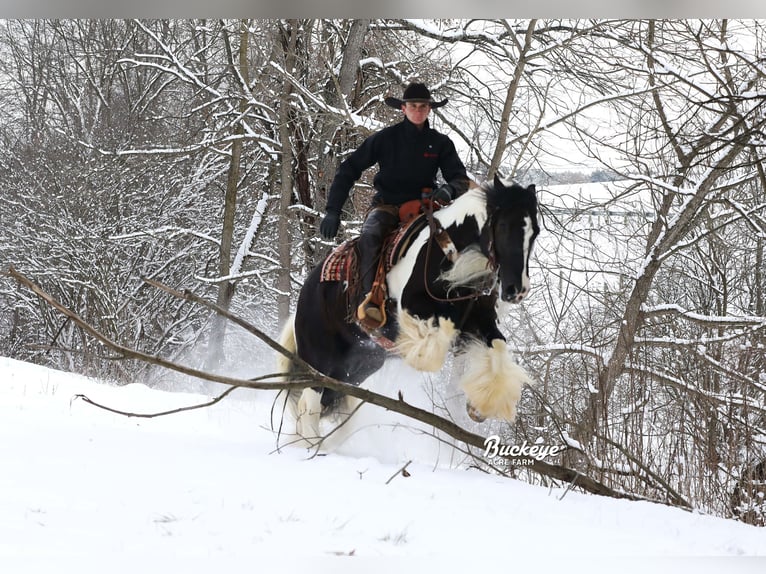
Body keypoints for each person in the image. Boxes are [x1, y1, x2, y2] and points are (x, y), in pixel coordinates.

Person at [319, 82, 470, 330]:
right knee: (371, 237)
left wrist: (449, 189)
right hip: (387, 205)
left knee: (452, 246)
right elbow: (349, 168)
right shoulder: (385, 139)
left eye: (423, 106)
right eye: (413, 106)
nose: (418, 110)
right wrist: (333, 210)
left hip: (426, 208)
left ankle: (460, 305)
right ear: (403, 108)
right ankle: (369, 302)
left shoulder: (440, 143)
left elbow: (460, 179)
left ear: (429, 109)